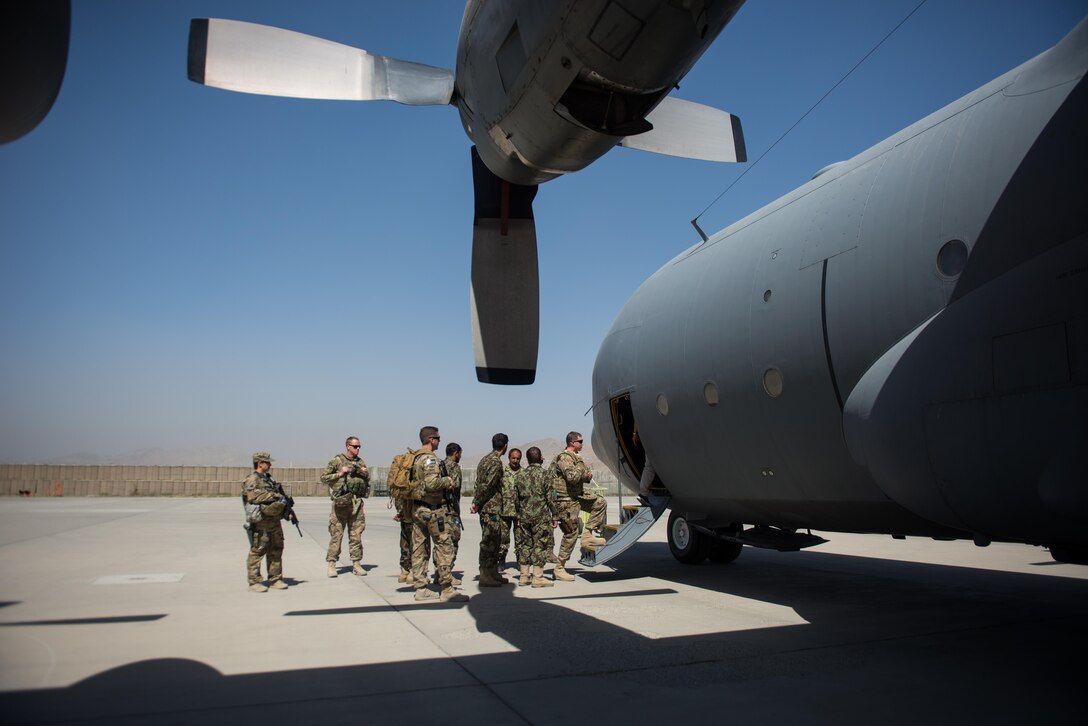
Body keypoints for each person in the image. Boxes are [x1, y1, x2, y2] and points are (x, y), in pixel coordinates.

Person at [409, 426, 468, 602]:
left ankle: (420, 589)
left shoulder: (415, 458)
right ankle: (447, 588)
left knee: (419, 548)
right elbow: (431, 483)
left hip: (418, 509)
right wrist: (447, 481)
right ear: (431, 439)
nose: (439, 441)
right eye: (437, 438)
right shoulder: (429, 460)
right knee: (444, 547)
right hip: (432, 510)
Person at [551, 431, 607, 581]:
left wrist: (584, 474)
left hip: (577, 495)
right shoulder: (564, 458)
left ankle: (588, 535)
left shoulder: (576, 457)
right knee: (571, 533)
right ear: (572, 443)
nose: (582, 444)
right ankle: (559, 567)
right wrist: (583, 471)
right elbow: (572, 477)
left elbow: (587, 476)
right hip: (565, 499)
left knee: (600, 502)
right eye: (580, 441)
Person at [243, 452, 295, 592]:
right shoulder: (252, 479)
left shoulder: (268, 479)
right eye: (267, 462)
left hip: (274, 521)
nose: (270, 464)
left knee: (276, 549)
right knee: (258, 551)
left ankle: (275, 578)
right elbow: (254, 496)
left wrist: (286, 510)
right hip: (261, 522)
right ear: (260, 463)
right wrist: (276, 496)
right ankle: (254, 582)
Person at [320, 436, 370, 577]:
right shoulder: (337, 461)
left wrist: (363, 472)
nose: (358, 449)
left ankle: (356, 563)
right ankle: (332, 564)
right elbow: (323, 478)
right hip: (341, 503)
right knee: (336, 534)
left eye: (359, 446)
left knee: (356, 535)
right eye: (355, 446)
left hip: (356, 503)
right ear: (348, 446)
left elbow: (367, 478)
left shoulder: (360, 462)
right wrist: (340, 473)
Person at [515, 447, 558, 587]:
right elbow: (550, 498)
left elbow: (515, 498)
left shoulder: (520, 475)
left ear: (527, 459)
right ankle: (538, 577)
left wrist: (518, 515)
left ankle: (524, 576)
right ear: (540, 458)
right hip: (541, 516)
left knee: (525, 545)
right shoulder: (545, 475)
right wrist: (555, 515)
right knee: (540, 545)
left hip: (524, 516)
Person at [471, 433, 510, 586]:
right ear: (505, 445)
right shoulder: (495, 462)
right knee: (489, 541)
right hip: (490, 508)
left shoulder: (485, 460)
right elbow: (487, 485)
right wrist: (477, 502)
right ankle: (485, 574)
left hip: (491, 507)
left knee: (495, 541)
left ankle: (492, 572)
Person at [441, 442, 464, 586]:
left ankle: (440, 573)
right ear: (456, 453)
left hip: (439, 509)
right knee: (453, 541)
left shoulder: (440, 465)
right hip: (450, 509)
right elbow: (454, 487)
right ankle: (447, 574)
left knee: (442, 543)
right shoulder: (454, 467)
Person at [497, 447, 522, 570]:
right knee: (503, 538)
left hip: (519, 512)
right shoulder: (502, 473)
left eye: (518, 458)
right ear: (509, 458)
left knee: (520, 537)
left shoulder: (524, 474)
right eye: (513, 458)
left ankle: (520, 560)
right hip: (504, 510)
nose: (515, 461)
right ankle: (501, 560)